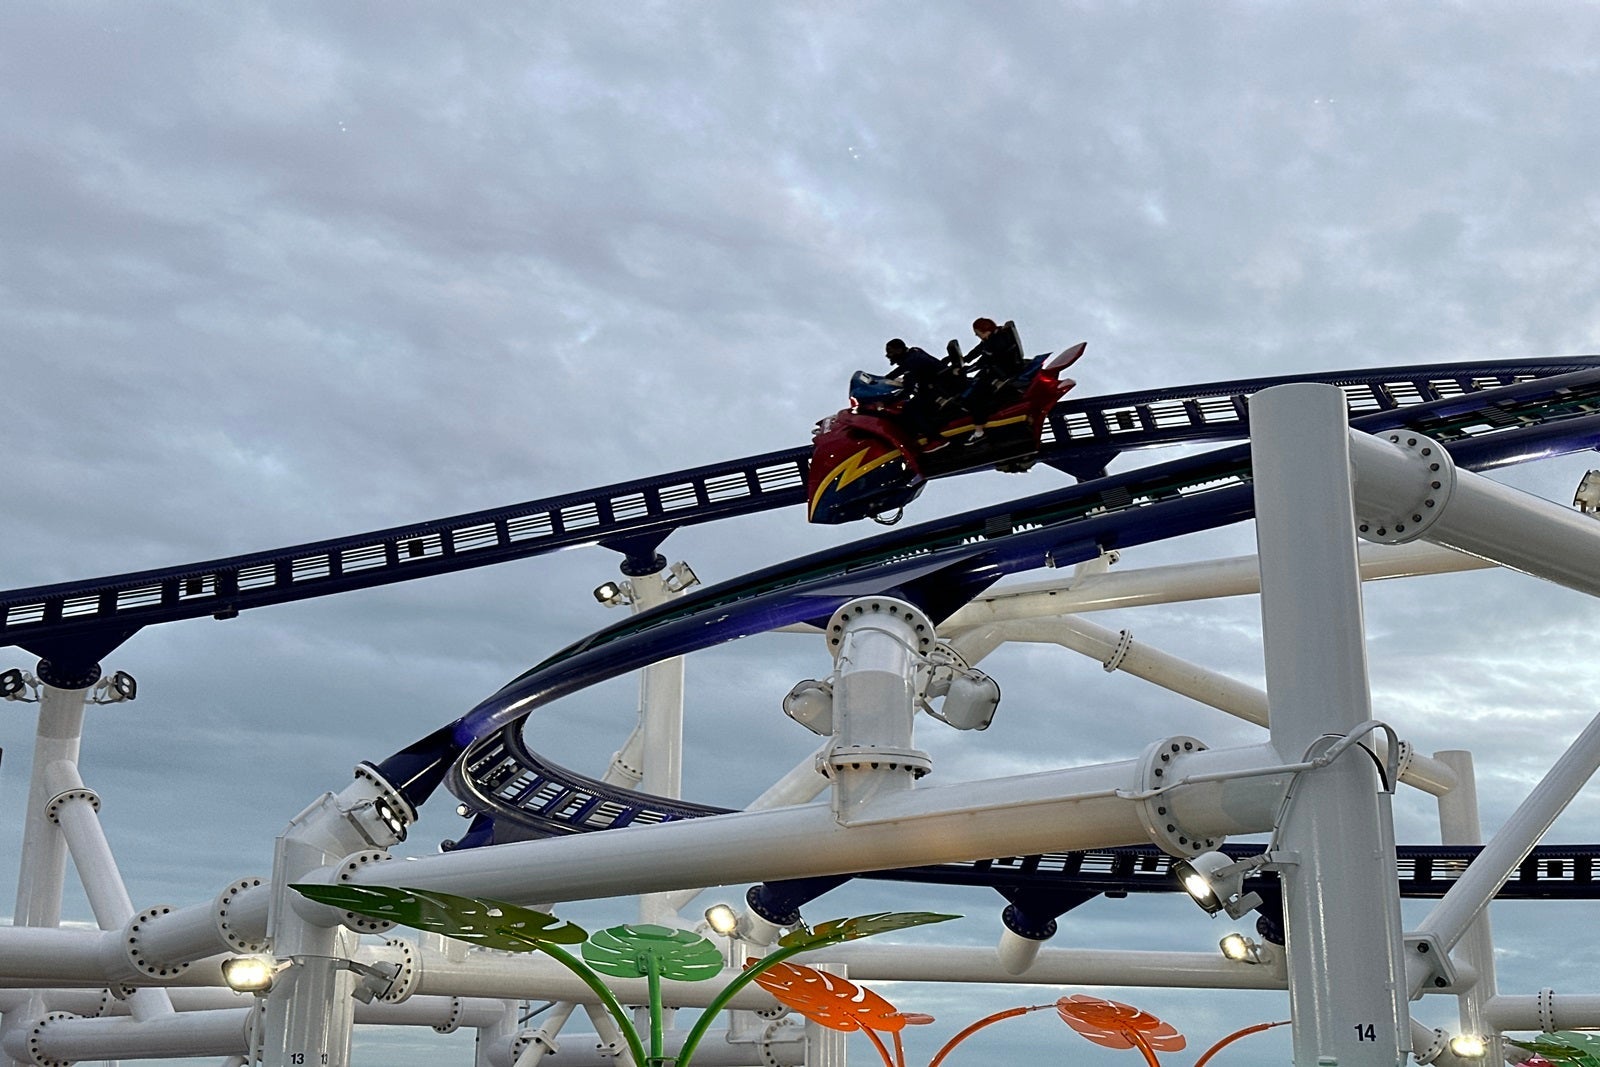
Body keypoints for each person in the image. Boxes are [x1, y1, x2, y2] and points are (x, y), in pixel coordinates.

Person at [883, 338, 957, 450]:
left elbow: (908, 388)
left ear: (898, 350)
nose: (889, 355)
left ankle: (936, 439)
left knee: (909, 408)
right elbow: (902, 369)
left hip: (939, 390)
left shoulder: (913, 361)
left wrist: (887, 401)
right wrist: (883, 379)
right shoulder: (914, 353)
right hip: (941, 386)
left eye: (890, 352)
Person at [960, 317, 1026, 442]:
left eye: (978, 334)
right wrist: (965, 359)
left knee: (974, 398)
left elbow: (983, 361)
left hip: (1002, 372)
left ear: (985, 331)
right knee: (975, 383)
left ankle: (979, 432)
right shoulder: (996, 334)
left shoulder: (996, 342)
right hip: (998, 369)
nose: (978, 336)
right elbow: (980, 349)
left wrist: (965, 370)